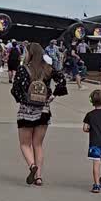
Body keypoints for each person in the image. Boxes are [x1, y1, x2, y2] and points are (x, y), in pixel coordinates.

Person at [12, 42, 59, 186]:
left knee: (25, 144)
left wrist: (23, 99)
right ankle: (39, 177)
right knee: (38, 144)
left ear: (29, 53)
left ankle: (32, 166)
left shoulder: (23, 69)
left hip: (26, 110)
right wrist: (51, 95)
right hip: (43, 110)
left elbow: (15, 89)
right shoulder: (48, 69)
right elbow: (61, 80)